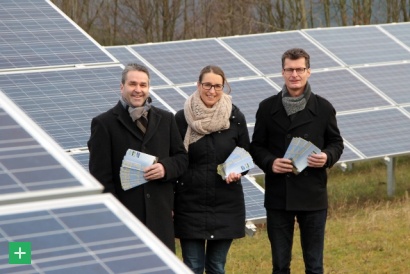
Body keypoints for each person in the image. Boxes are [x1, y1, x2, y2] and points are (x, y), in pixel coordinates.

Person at [250, 48, 344, 274]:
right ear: (282, 72)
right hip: (278, 196)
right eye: (289, 70)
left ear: (308, 72)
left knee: (314, 265)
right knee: (280, 265)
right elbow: (256, 146)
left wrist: (326, 157)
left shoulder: (323, 108)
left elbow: (336, 143)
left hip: (312, 195)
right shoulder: (266, 108)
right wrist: (271, 163)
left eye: (299, 69)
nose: (295, 74)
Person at [87, 63, 188, 252]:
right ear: (122, 86)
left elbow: (182, 159)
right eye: (133, 84)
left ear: (148, 88)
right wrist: (117, 215)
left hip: (160, 218)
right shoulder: (104, 123)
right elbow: (100, 178)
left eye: (143, 85)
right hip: (126, 219)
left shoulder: (166, 119)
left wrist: (165, 168)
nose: (138, 90)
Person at [174, 65, 250, 274]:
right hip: (189, 204)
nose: (212, 90)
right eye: (207, 85)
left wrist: (238, 172)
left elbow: (245, 155)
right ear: (198, 85)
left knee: (217, 266)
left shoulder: (234, 117)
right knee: (192, 266)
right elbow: (174, 159)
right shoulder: (181, 119)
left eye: (218, 86)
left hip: (226, 203)